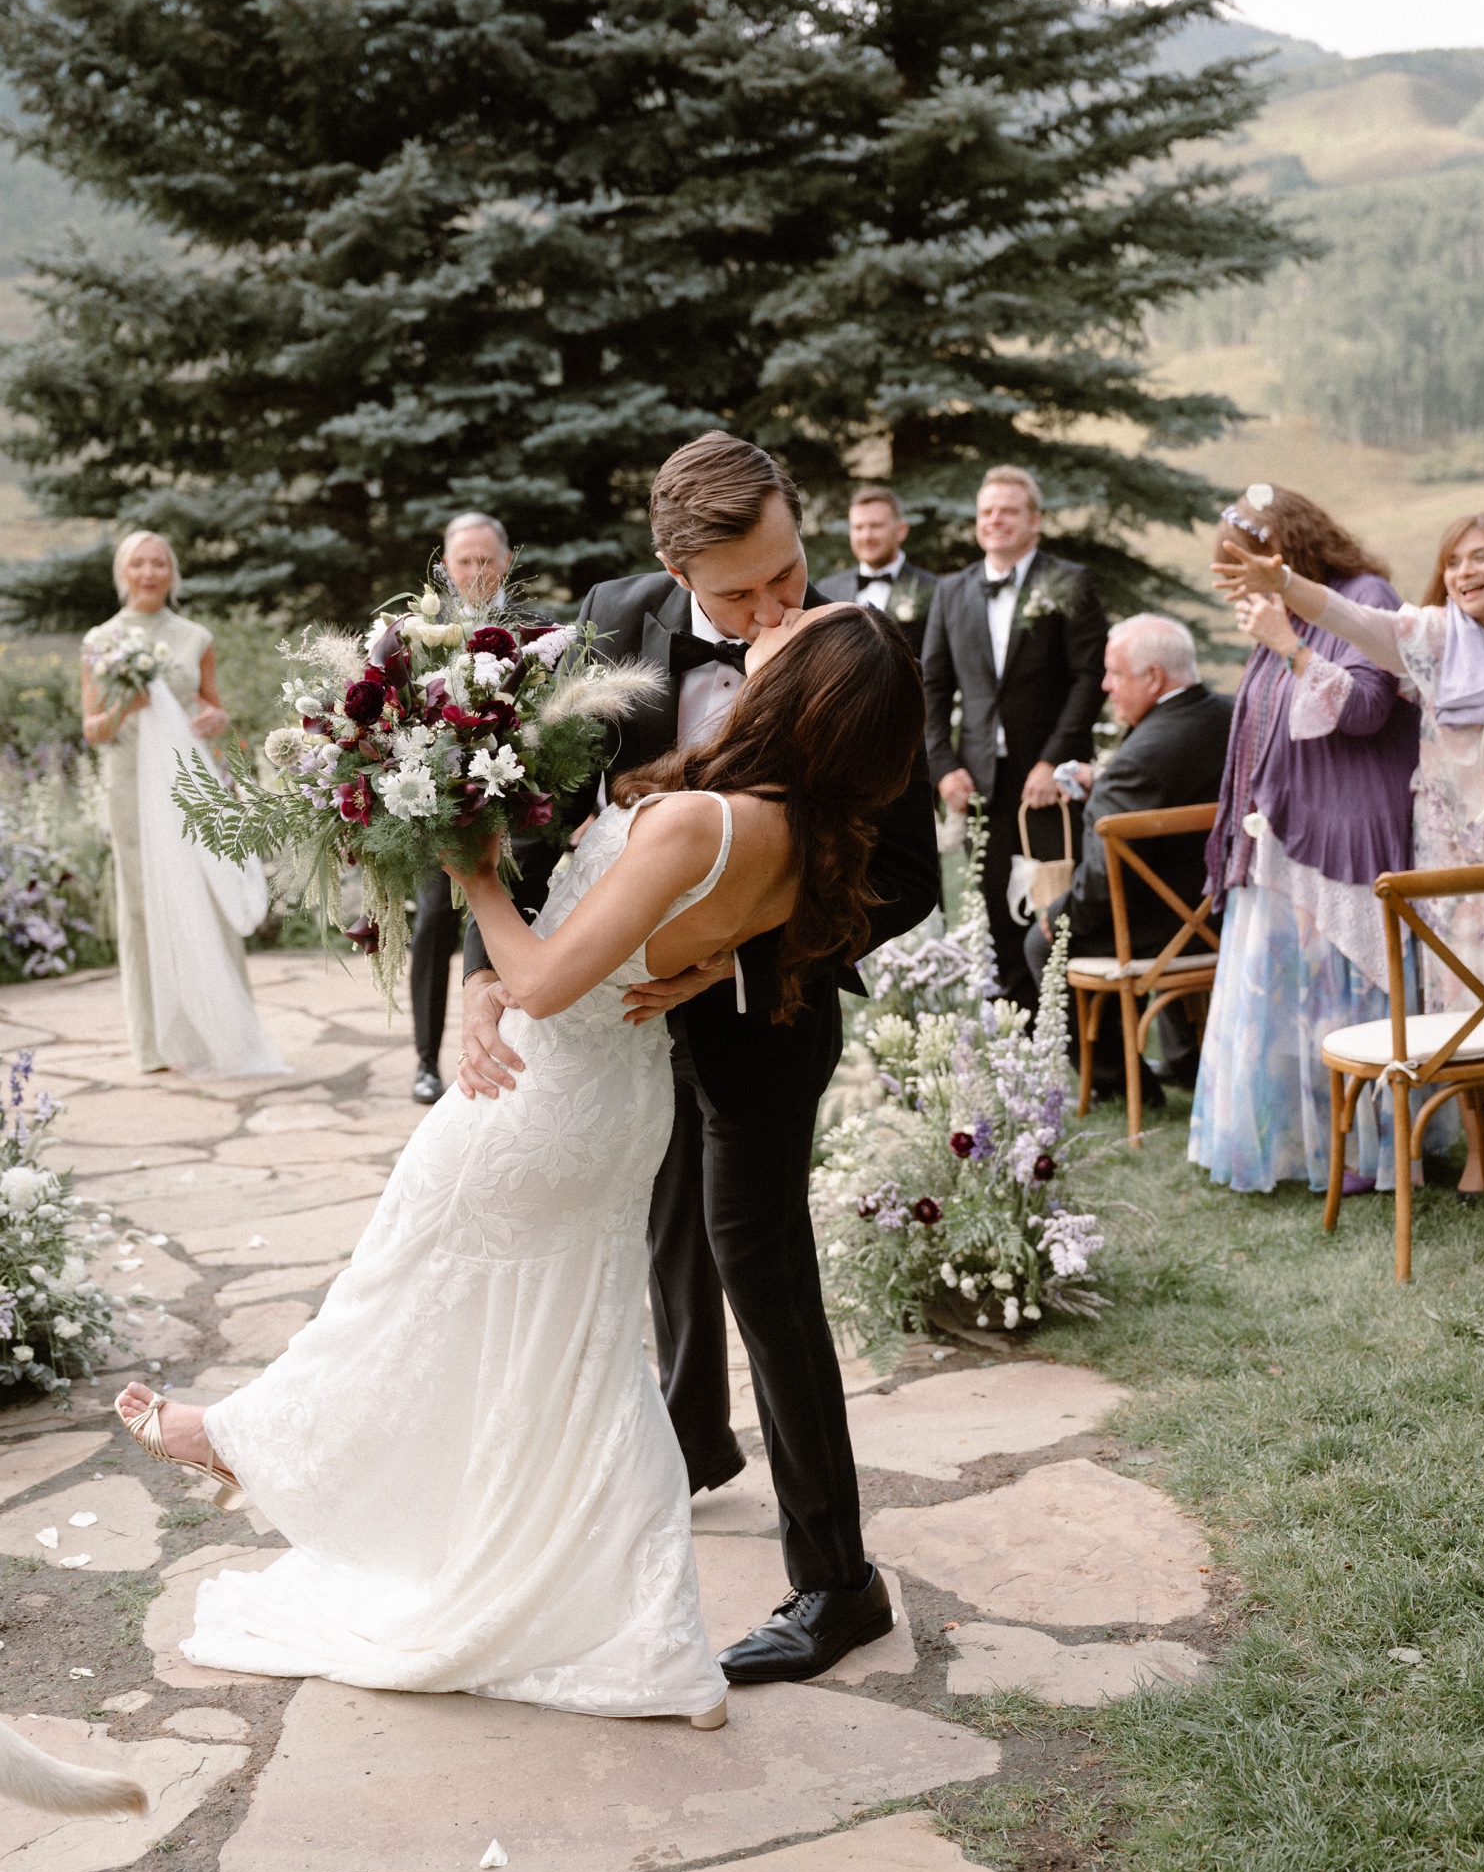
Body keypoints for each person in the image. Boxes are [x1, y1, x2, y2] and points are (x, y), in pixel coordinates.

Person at [113, 606, 927, 1727]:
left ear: (802, 696)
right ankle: (637, 1629)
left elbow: (545, 974)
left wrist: (468, 859)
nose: (775, 625)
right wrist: (520, 979)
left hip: (541, 1097)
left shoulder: (699, 818)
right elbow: (657, 949)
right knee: (567, 1358)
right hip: (608, 1096)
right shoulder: (804, 833)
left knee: (398, 1298)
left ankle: (250, 1443)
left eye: (795, 633)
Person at [460, 432, 941, 1683]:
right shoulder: (613, 622)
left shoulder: (848, 657)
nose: (781, 605)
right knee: (665, 1224)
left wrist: (736, 948)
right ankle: (693, 1434)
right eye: (743, 595)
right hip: (616, 1014)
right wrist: (477, 971)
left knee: (758, 1261)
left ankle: (838, 1584)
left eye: (791, 569)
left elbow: (906, 877)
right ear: (672, 568)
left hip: (767, 1011)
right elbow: (531, 810)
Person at [1217, 507, 1484, 1195]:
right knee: (1466, 996)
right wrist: (1283, 579)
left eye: (1482, 556)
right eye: (1455, 561)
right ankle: (1477, 1156)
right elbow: (1352, 620)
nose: (1465, 572)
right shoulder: (1432, 638)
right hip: (1451, 855)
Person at [1192, 486, 1421, 1195]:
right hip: (1285, 838)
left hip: (1347, 836)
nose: (1241, 583)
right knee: (1289, 1003)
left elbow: (1364, 710)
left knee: (1338, 994)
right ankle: (1295, 1145)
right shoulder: (1281, 615)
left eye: (1250, 564)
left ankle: (1365, 1150)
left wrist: (1288, 646)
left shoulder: (1361, 593)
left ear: (1285, 551)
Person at [81, 530, 286, 1079]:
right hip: (129, 787)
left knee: (208, 896)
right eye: (137, 564)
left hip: (192, 786)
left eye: (158, 564)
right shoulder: (100, 640)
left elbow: (214, 713)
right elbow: (93, 730)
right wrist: (127, 706)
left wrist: (220, 721)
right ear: (122, 572)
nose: (148, 573)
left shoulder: (195, 636)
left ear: (172, 574)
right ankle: (154, 1043)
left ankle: (220, 1030)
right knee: (144, 905)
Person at [1023, 614, 1233, 1104]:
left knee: (1041, 943)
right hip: (1226, 910)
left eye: (1115, 673)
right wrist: (1107, 781)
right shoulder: (1232, 714)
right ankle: (1186, 1061)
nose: (1105, 685)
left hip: (1172, 927)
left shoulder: (1140, 759)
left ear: (1154, 678)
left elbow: (1098, 884)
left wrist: (1057, 919)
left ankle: (1118, 1084)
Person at [922, 464, 1108, 1012]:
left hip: (1049, 784)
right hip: (980, 783)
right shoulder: (952, 591)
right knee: (996, 911)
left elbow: (1088, 677)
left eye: (1007, 511)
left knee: (1056, 904)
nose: (994, 521)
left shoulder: (1069, 582)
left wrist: (1054, 760)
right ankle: (1021, 1034)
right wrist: (943, 767)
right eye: (986, 512)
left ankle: (1079, 1036)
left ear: (1036, 521)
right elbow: (931, 685)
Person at [410, 512, 513, 1105]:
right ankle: (426, 1060)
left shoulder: (536, 625)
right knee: (432, 922)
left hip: (511, 803)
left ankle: (494, 1056)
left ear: (503, 563)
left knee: (501, 926)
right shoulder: (422, 626)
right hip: (438, 804)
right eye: (463, 561)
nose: (475, 571)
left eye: (485, 560)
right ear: (446, 566)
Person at [818, 485, 937, 653]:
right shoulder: (826, 590)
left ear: (901, 531)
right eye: (858, 528)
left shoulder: (934, 589)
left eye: (876, 526)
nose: (866, 536)